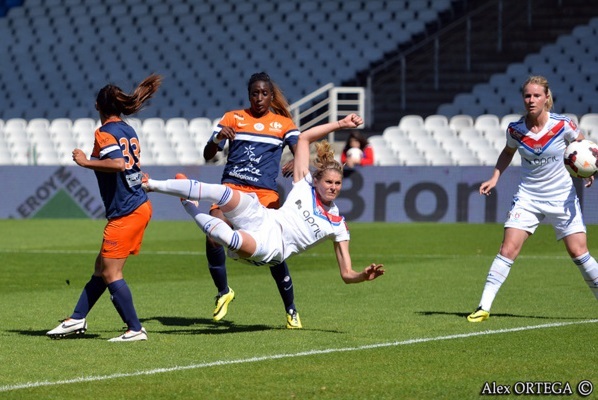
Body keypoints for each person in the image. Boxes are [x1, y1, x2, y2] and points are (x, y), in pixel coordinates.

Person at [142, 114, 385, 316]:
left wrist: (362, 276)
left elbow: (346, 274)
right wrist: (341, 125)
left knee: (228, 239)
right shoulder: (305, 183)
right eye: (329, 182)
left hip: (272, 248)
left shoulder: (338, 225)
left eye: (338, 183)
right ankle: (149, 184)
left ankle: (189, 205)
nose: (333, 187)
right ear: (318, 180)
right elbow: (303, 138)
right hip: (265, 218)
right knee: (224, 193)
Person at [467, 75, 598, 322]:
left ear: (546, 97)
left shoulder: (563, 125)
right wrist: (495, 177)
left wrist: (588, 170)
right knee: (507, 249)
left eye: (537, 95)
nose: (531, 100)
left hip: (561, 197)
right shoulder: (515, 129)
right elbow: (507, 152)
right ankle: (483, 307)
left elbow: (583, 148)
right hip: (528, 197)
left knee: (579, 253)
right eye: (527, 95)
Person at [47, 74, 162, 341]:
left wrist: (86, 162)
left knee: (111, 272)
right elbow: (129, 167)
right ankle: (76, 318)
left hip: (126, 211)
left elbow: (119, 164)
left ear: (97, 106)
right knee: (101, 267)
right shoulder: (127, 130)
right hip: (138, 206)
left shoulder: (104, 133)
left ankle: (135, 328)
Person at [202, 72, 302, 328]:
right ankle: (224, 291)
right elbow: (208, 154)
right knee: (213, 234)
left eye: (264, 93)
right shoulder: (232, 118)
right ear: (249, 95)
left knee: (274, 252)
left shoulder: (283, 123)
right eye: (254, 93)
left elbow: (300, 148)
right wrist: (217, 138)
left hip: (264, 194)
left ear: (271, 96)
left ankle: (291, 309)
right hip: (233, 187)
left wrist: (297, 159)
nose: (259, 98)